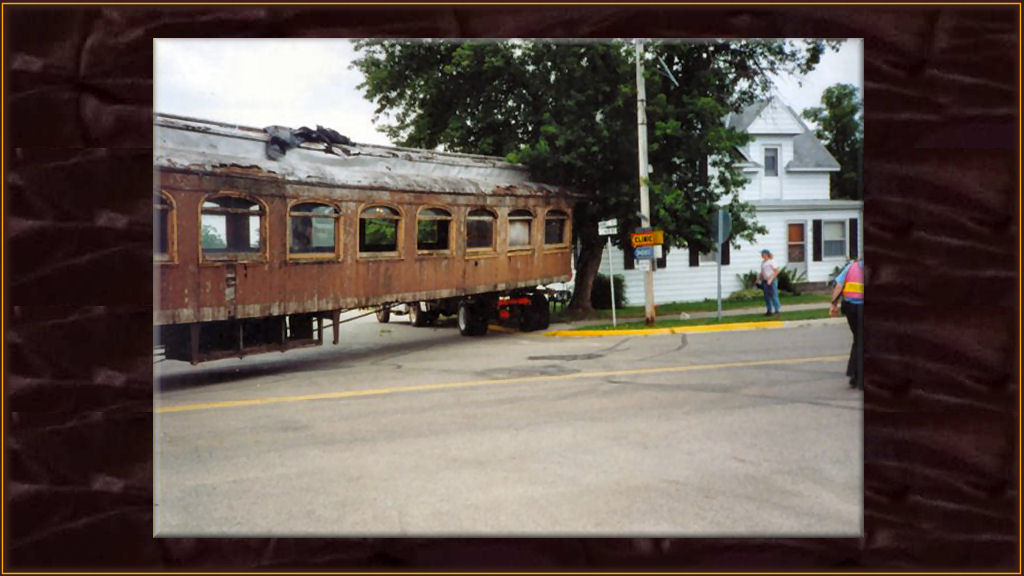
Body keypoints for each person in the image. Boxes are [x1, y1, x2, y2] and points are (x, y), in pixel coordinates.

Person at [830, 257, 865, 390]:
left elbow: (839, 286)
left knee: (858, 339)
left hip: (850, 307)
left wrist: (833, 304)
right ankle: (858, 377)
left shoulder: (851, 267)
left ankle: (854, 375)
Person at [758, 249, 781, 316]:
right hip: (765, 281)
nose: (761, 255)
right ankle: (769, 311)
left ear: (766, 254)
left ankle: (777, 310)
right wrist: (758, 279)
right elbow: (762, 272)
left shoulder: (771, 261)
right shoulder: (763, 262)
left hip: (772, 280)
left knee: (774, 295)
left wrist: (770, 279)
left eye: (762, 254)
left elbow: (776, 271)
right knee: (767, 296)